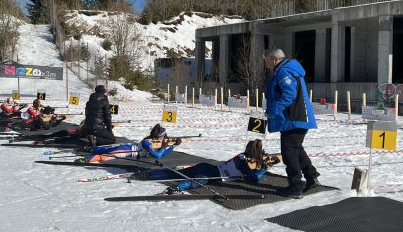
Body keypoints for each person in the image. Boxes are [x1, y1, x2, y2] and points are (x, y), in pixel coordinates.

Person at [263, 47, 319, 199]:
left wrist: (273, 111)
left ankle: (295, 186)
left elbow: (289, 95)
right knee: (296, 149)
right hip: (297, 119)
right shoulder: (289, 69)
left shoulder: (283, 72)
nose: (266, 65)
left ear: (275, 60)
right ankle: (311, 176)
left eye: (267, 61)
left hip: (294, 118)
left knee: (289, 152)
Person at [132, 139, 280, 194]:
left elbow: (251, 162)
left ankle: (149, 174)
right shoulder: (244, 163)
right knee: (197, 181)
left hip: (208, 167)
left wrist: (262, 162)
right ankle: (178, 188)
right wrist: (265, 168)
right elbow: (254, 179)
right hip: (212, 175)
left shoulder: (242, 156)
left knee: (178, 173)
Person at [77, 124, 181, 163]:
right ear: (159, 136)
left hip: (127, 148)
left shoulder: (153, 143)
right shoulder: (147, 142)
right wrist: (164, 147)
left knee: (106, 150)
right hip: (127, 151)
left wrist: (173, 146)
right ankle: (86, 159)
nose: (165, 138)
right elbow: (157, 156)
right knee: (105, 156)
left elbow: (162, 154)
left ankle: (89, 149)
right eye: (163, 136)